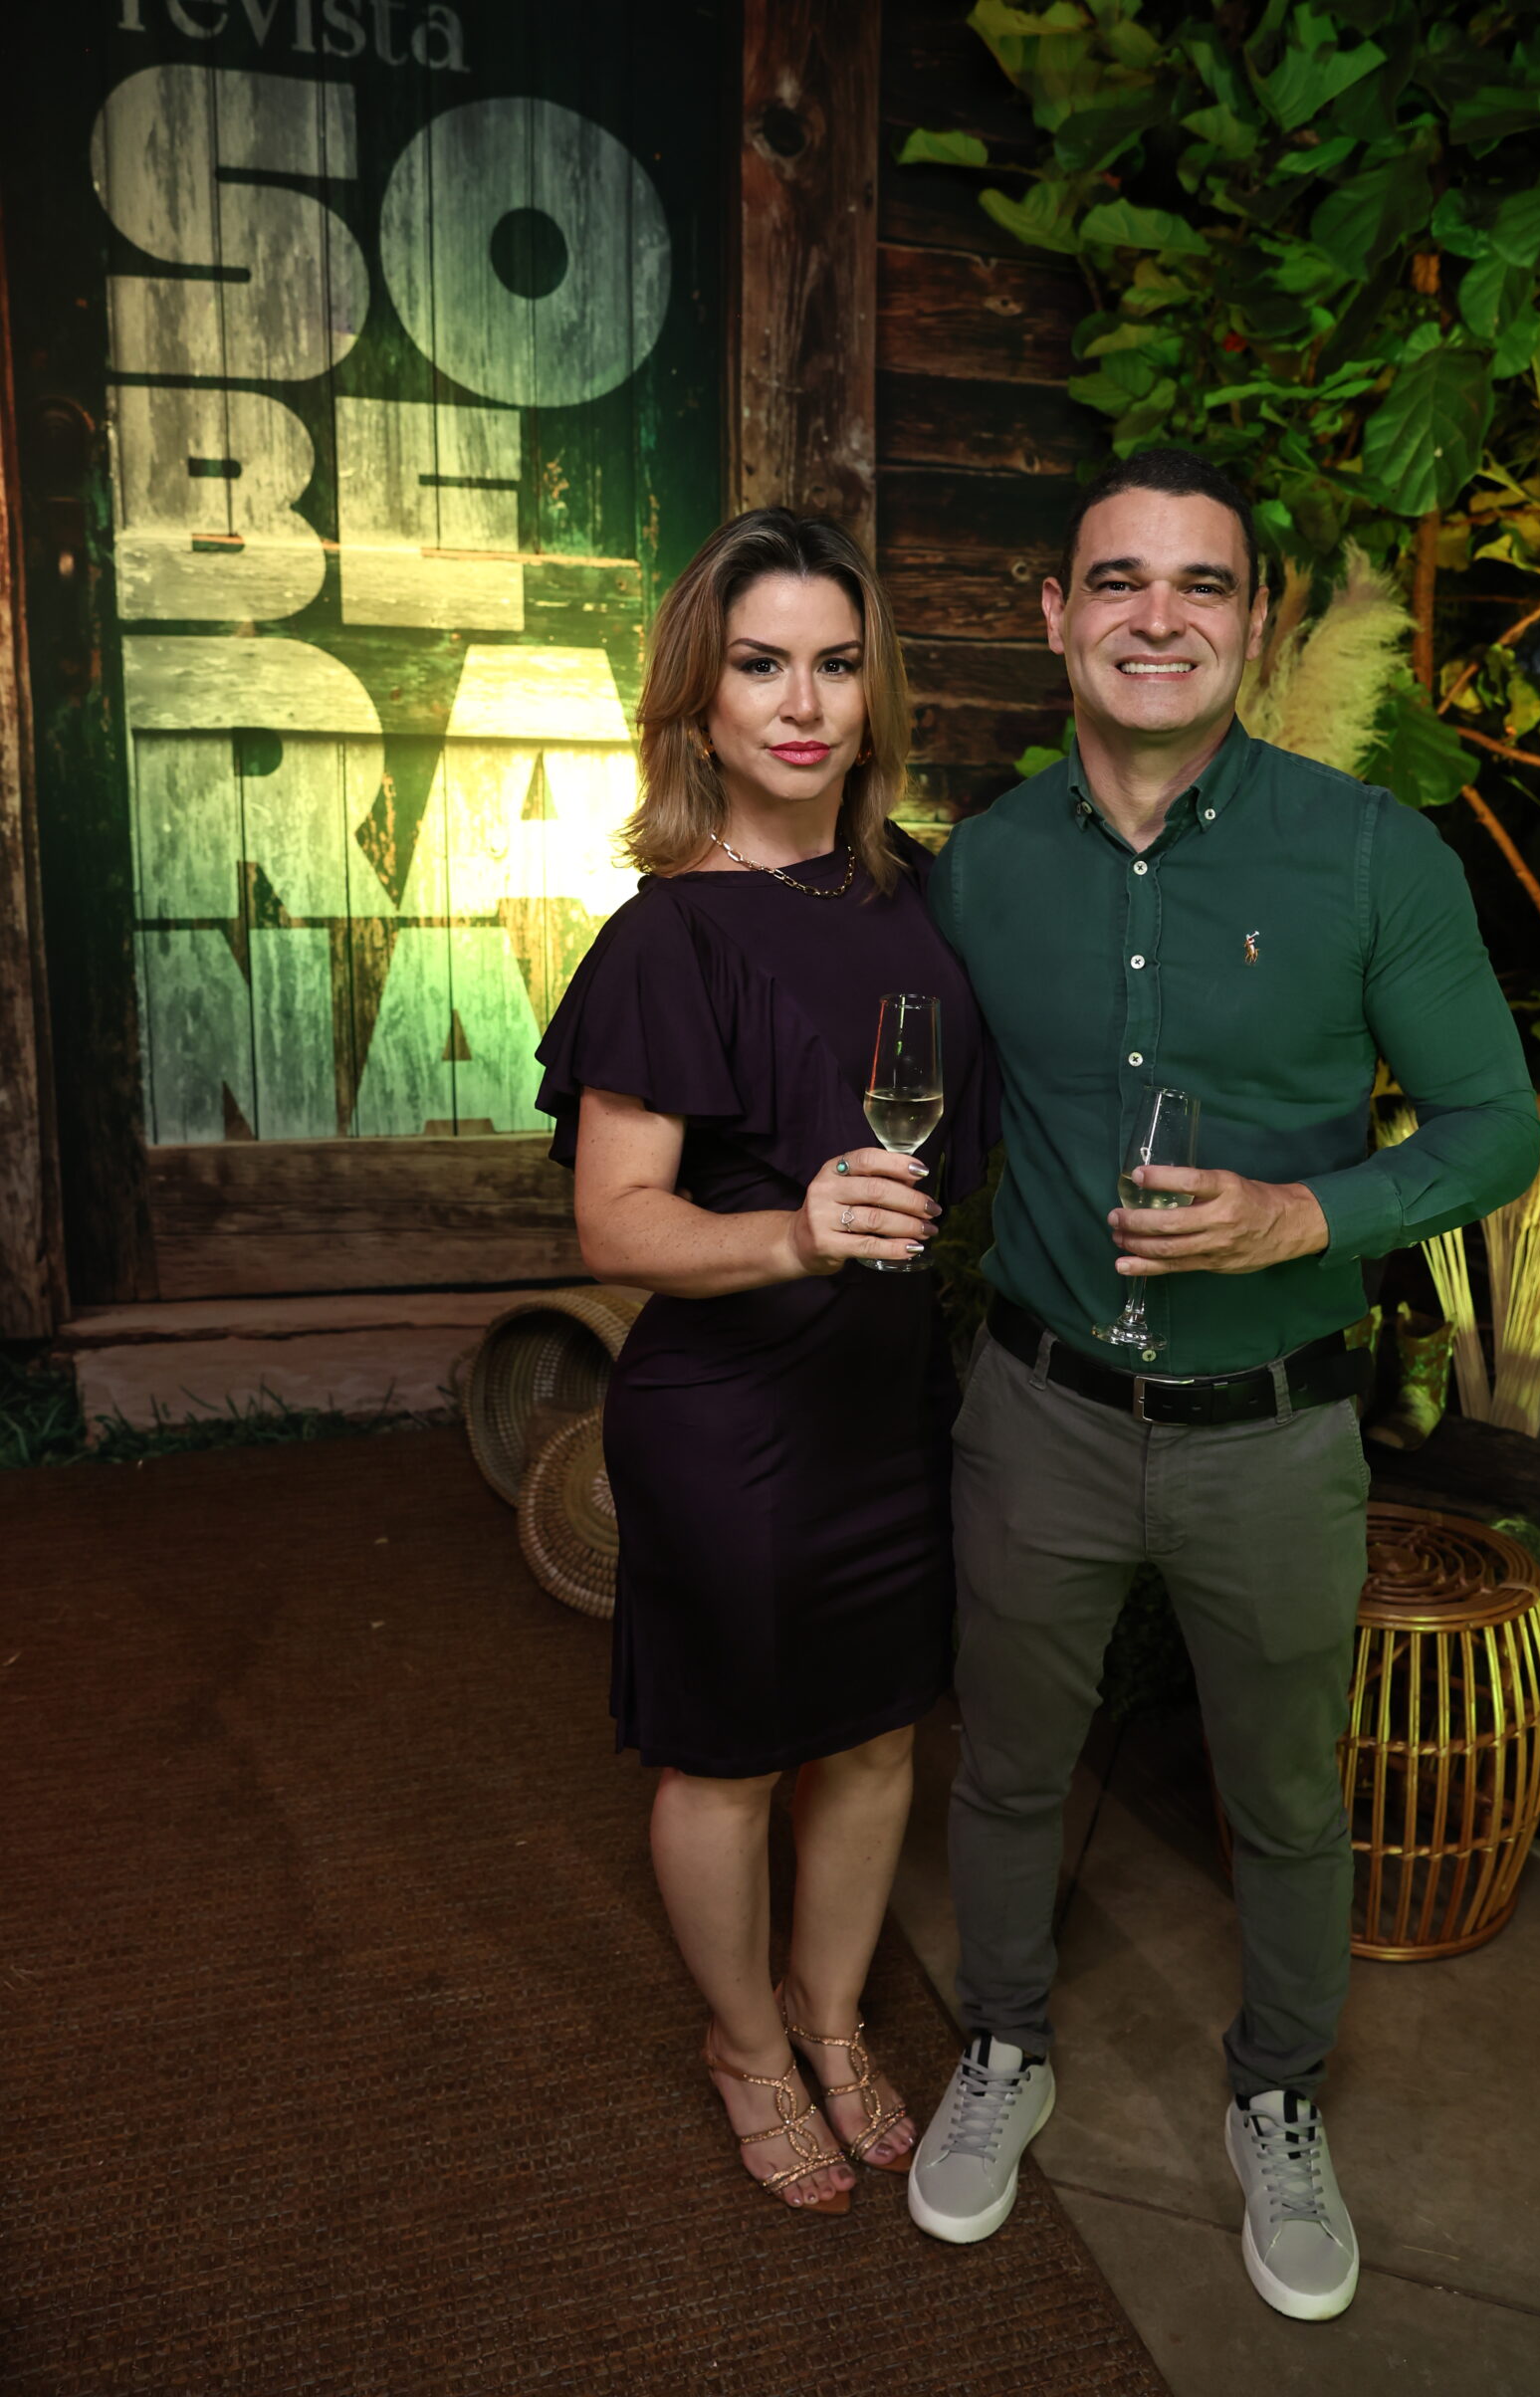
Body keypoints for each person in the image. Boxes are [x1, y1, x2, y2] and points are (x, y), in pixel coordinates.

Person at [906, 446, 1540, 2316]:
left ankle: (1278, 2096)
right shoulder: (985, 868)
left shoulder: (1370, 855)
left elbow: (1496, 1131)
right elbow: (926, 1108)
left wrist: (1303, 1217)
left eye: (1203, 584)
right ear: (1057, 616)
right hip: (1037, 1411)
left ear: (1257, 624)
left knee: (1285, 1798)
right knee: (1007, 1769)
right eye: (1119, 579)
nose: (1158, 617)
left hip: (1272, 1433)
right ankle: (1003, 2046)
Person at [535, 508, 995, 2216]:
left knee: (875, 1739)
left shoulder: (923, 896)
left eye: (836, 664)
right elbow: (615, 1225)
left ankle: (830, 2014)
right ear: (701, 701)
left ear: (875, 695)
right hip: (732, 1424)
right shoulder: (671, 935)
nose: (802, 704)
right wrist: (798, 1231)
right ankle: (744, 2047)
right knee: (726, 1757)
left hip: (890, 1401)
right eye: (760, 666)